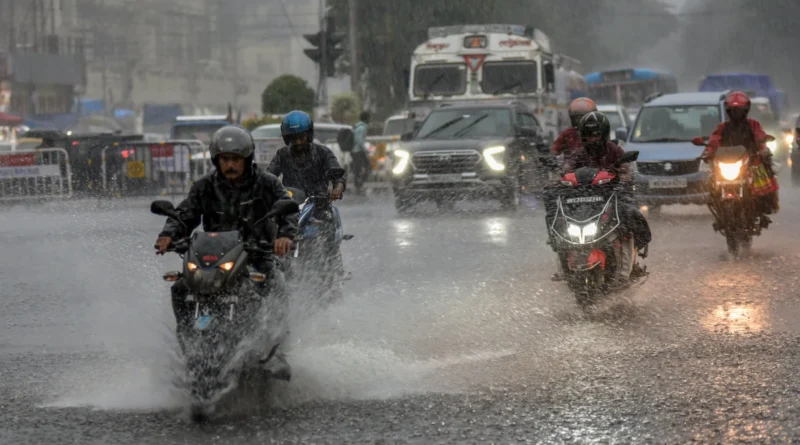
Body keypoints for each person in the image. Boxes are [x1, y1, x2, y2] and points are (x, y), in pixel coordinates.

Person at [154, 125, 298, 379]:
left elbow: (288, 210)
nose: (230, 165)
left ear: (247, 159)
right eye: (224, 159)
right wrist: (169, 234)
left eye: (235, 159)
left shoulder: (266, 183)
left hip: (257, 255)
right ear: (216, 160)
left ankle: (276, 350)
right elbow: (185, 213)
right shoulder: (204, 186)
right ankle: (188, 345)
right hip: (213, 258)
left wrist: (284, 236)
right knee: (180, 288)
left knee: (276, 284)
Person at [547, 112, 651, 281]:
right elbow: (567, 169)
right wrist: (559, 179)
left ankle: (628, 269)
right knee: (559, 224)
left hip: (611, 197)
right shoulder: (579, 153)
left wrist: (624, 177)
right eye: (588, 136)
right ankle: (563, 268)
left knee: (628, 219)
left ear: (603, 135)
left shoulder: (614, 149)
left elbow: (627, 168)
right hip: (584, 201)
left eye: (596, 135)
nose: (592, 139)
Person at [266, 110, 348, 279]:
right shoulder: (282, 155)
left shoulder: (323, 153)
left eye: (301, 137)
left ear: (308, 135)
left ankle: (330, 270)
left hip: (319, 205)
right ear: (287, 138)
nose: (298, 142)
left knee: (325, 230)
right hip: (290, 206)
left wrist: (337, 189)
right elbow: (269, 177)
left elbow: (339, 175)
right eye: (293, 138)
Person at [703, 91, 779, 227]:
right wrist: (707, 152)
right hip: (726, 163)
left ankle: (761, 210)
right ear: (728, 111)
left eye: (739, 110)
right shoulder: (723, 127)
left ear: (746, 110)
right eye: (732, 110)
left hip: (748, 162)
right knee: (711, 183)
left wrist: (763, 148)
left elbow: (759, 136)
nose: (736, 113)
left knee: (763, 178)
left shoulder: (753, 124)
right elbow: (714, 140)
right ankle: (718, 210)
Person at [351, 111, 371, 194]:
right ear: (366, 118)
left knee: (358, 168)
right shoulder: (362, 128)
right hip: (358, 150)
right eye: (369, 118)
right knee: (366, 166)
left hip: (354, 150)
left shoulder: (358, 126)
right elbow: (359, 140)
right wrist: (365, 149)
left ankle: (358, 184)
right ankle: (359, 184)